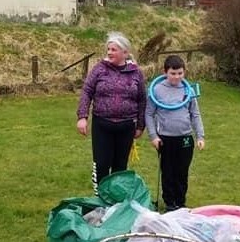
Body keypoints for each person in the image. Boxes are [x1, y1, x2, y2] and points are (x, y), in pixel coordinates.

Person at [76, 31, 146, 192]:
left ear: (125, 52)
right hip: (102, 125)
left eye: (114, 49)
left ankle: (116, 200)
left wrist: (140, 126)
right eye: (108, 49)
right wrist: (82, 116)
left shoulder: (136, 73)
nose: (109, 52)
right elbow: (87, 91)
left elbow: (142, 99)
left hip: (126, 126)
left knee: (120, 166)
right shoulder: (99, 69)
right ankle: (100, 197)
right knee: (101, 164)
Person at [145, 55, 205, 211]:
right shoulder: (157, 90)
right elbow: (149, 114)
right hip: (165, 139)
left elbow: (195, 114)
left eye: (180, 73)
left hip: (185, 138)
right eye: (173, 73)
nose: (177, 77)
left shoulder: (188, 89)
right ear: (165, 72)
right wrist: (153, 136)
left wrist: (200, 136)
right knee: (168, 172)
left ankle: (181, 203)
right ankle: (170, 203)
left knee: (182, 172)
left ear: (184, 72)